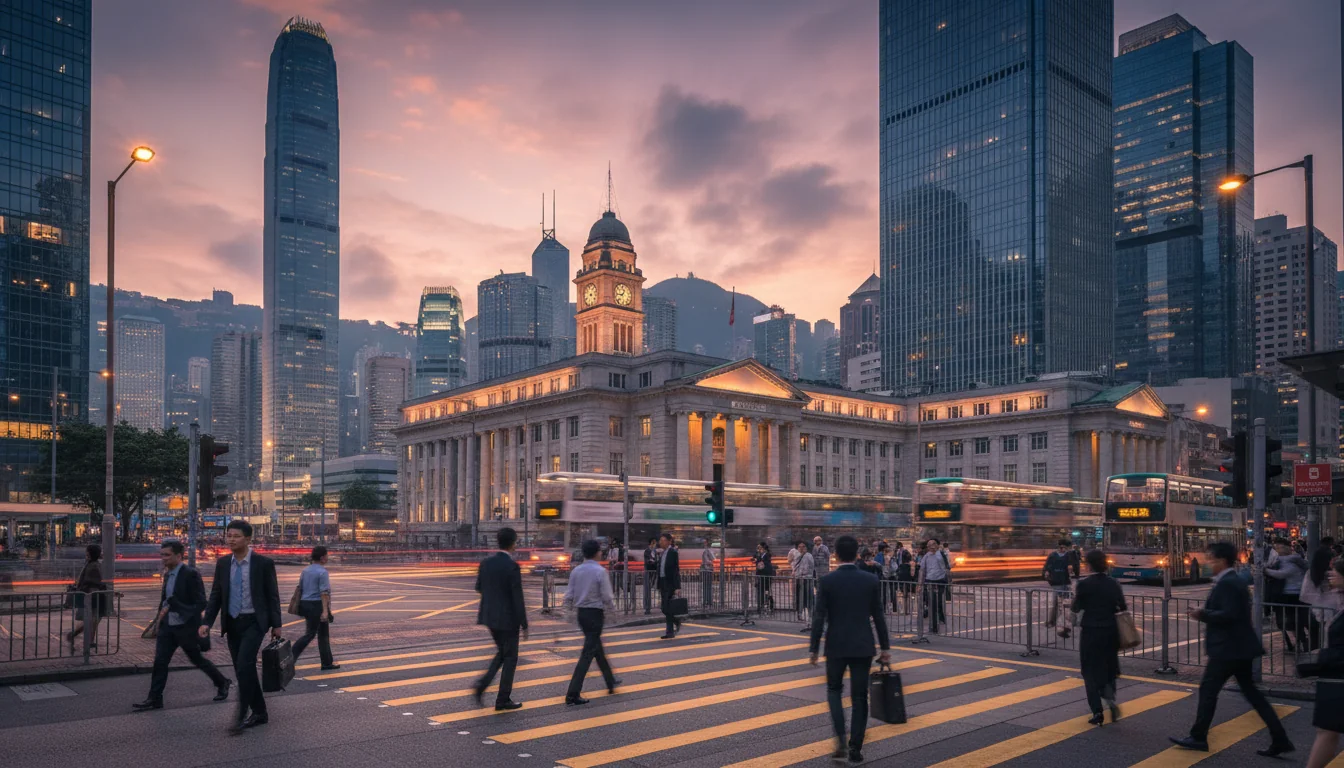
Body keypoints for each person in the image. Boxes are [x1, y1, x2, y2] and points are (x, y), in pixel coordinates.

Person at [1169, 542, 1294, 757]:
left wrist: (1203, 614)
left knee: (1209, 691)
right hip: (1239, 648)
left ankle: (1198, 737)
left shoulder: (1228, 583)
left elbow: (1229, 614)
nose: (1209, 562)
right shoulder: (1230, 581)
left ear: (1222, 560)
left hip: (1228, 649)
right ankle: (1280, 738)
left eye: (1212, 559)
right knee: (1253, 695)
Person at [809, 534, 892, 764]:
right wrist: (885, 647)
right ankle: (856, 748)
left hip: (835, 644)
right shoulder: (869, 580)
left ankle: (840, 740)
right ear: (857, 554)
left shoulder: (827, 581)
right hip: (862, 645)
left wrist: (813, 648)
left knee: (834, 691)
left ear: (835, 555)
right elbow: (878, 615)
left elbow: (819, 617)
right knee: (859, 697)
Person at [200, 520, 282, 734]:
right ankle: (260, 712)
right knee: (242, 670)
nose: (231, 539)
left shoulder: (263, 563)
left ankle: (240, 715)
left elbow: (272, 595)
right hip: (232, 622)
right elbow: (216, 595)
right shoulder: (223, 563)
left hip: (255, 622)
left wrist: (277, 625)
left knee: (245, 666)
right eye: (229, 535)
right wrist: (207, 622)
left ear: (247, 539)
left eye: (236, 536)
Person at [134, 540, 231, 710]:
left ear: (179, 556)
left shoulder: (190, 574)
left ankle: (222, 682)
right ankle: (155, 698)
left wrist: (178, 607)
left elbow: (201, 603)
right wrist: (159, 621)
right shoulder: (167, 574)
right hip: (168, 627)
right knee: (160, 662)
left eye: (167, 555)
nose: (163, 558)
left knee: (197, 659)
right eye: (162, 555)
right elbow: (165, 600)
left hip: (186, 627)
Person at [472, 527, 529, 711]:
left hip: (489, 617)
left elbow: (478, 587)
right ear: (513, 543)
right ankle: (503, 699)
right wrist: (524, 623)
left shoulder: (486, 563)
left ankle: (482, 686)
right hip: (508, 620)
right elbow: (517, 597)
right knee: (510, 657)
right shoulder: (512, 566)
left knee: (503, 653)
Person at [1070, 549, 1126, 725]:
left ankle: (1097, 712)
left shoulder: (1084, 584)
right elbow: (1122, 606)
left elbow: (1076, 607)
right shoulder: (1113, 583)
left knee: (1089, 671)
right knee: (1109, 667)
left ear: (1088, 564)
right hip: (1111, 631)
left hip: (1091, 631)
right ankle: (1109, 697)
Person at [562, 540, 620, 705]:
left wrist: (566, 613)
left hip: (582, 614)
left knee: (596, 648)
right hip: (595, 614)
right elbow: (607, 596)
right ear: (596, 553)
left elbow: (569, 595)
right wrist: (613, 611)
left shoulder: (576, 571)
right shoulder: (600, 571)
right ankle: (572, 693)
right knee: (588, 654)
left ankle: (610, 681)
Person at [1306, 558, 1344, 768]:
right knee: (1327, 730)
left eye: (1336, 572)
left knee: (1327, 730)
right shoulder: (1339, 601)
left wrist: (1324, 658)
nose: (1331, 575)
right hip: (1334, 676)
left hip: (1338, 678)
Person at [291, 546, 339, 670]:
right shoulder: (322, 572)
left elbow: (300, 587)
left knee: (323, 634)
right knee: (311, 634)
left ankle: (327, 662)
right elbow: (324, 593)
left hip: (305, 603)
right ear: (323, 557)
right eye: (327, 555)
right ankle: (290, 656)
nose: (327, 558)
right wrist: (325, 611)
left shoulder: (306, 570)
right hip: (316, 604)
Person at [1266, 537, 1311, 651]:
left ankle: (1303, 642)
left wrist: (1265, 570)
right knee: (1290, 621)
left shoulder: (1291, 560)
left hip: (1292, 594)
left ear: (1287, 548)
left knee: (1294, 621)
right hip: (1286, 594)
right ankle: (1299, 641)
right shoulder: (1279, 559)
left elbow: (1283, 574)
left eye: (1280, 547)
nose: (1278, 550)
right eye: (1276, 547)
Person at [66, 543, 104, 652]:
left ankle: (86, 640)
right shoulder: (94, 565)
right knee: (92, 619)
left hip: (90, 595)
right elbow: (95, 581)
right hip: (92, 596)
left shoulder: (90, 564)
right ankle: (78, 638)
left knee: (92, 620)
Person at [916, 539, 950, 633]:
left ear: (937, 545)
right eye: (929, 545)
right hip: (929, 581)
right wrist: (919, 584)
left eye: (933, 544)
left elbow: (947, 567)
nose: (931, 546)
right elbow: (922, 570)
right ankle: (934, 626)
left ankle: (940, 618)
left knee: (938, 601)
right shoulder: (926, 556)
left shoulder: (942, 554)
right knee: (932, 603)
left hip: (940, 581)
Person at [1044, 540, 1077, 628]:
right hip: (1056, 582)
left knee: (1066, 603)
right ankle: (1052, 621)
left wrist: (1073, 552)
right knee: (1055, 602)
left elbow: (1075, 565)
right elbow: (1047, 566)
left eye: (1065, 548)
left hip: (1065, 581)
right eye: (1062, 547)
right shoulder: (1053, 555)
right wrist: (1047, 574)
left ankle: (1067, 621)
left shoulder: (1069, 555)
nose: (1063, 549)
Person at [657, 533, 682, 639]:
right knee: (664, 608)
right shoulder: (662, 553)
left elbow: (676, 570)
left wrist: (677, 587)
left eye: (663, 540)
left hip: (670, 583)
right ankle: (676, 621)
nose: (660, 542)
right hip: (662, 582)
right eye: (660, 540)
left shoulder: (672, 552)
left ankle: (669, 632)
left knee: (667, 607)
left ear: (669, 541)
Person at [792, 541, 815, 619]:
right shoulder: (796, 556)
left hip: (807, 579)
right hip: (799, 579)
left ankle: (810, 614)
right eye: (799, 547)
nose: (801, 548)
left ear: (806, 548)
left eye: (803, 546)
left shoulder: (809, 556)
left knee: (809, 597)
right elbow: (794, 565)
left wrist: (806, 574)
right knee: (799, 597)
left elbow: (812, 566)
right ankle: (799, 614)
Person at [891, 541, 914, 614]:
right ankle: (907, 610)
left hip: (903, 578)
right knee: (906, 595)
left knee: (905, 595)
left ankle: (906, 610)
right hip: (907, 579)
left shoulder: (902, 565)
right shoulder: (910, 565)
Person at [753, 542, 775, 614]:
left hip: (765, 576)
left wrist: (758, 561)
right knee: (761, 592)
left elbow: (763, 565)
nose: (758, 549)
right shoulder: (760, 555)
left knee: (766, 591)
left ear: (763, 548)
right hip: (761, 576)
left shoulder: (766, 555)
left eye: (759, 548)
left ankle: (767, 605)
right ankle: (763, 606)